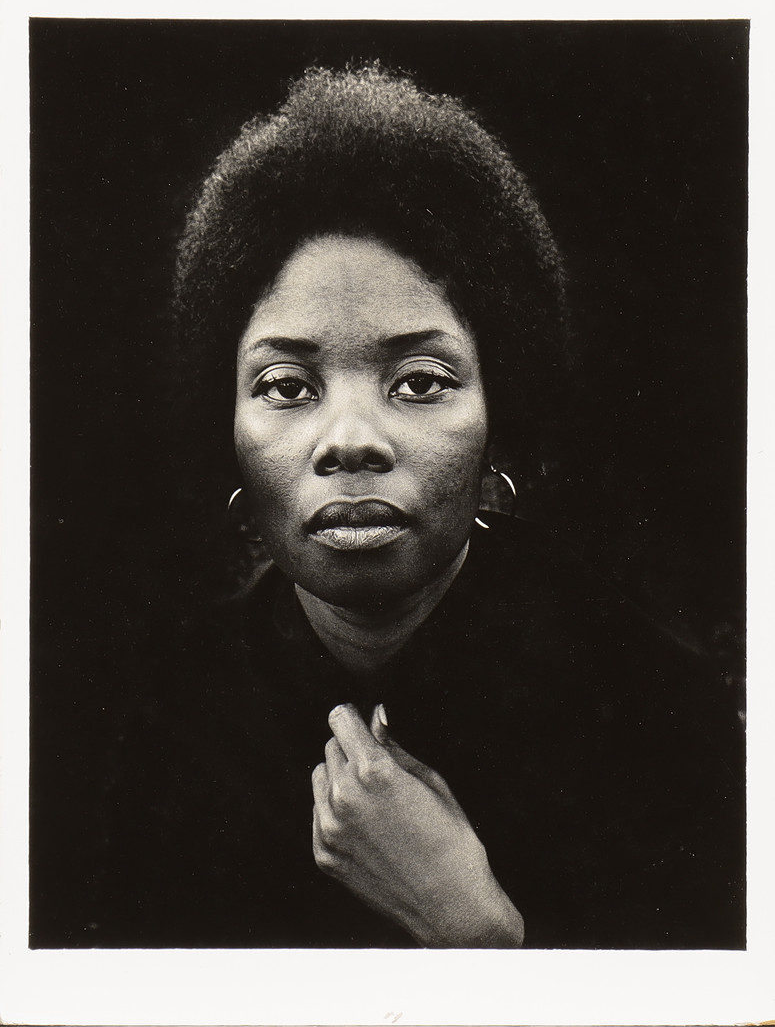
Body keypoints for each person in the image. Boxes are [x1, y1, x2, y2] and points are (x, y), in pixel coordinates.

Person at [84, 64, 744, 950]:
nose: (350, 441)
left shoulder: (657, 711)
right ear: (226, 427)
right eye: (287, 386)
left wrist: (473, 928)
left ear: (499, 421)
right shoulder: (158, 728)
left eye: (419, 382)